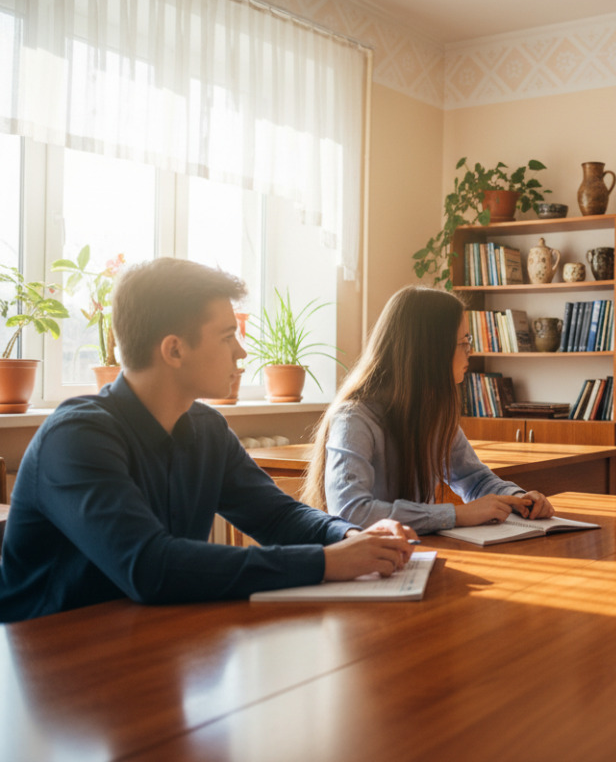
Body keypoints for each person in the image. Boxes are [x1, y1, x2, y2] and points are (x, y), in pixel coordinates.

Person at [0, 258, 417, 623]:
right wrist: (325, 563)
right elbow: (150, 567)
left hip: (145, 644)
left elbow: (277, 517)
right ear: (174, 350)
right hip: (42, 669)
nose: (242, 352)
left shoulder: (205, 428)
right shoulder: (76, 438)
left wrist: (350, 538)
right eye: (226, 337)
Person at [302, 285, 554, 534]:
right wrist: (455, 515)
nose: (471, 351)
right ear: (430, 351)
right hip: (365, 564)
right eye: (464, 342)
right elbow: (350, 510)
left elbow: (475, 479)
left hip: (412, 553)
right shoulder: (354, 418)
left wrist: (519, 499)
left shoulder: (431, 414)